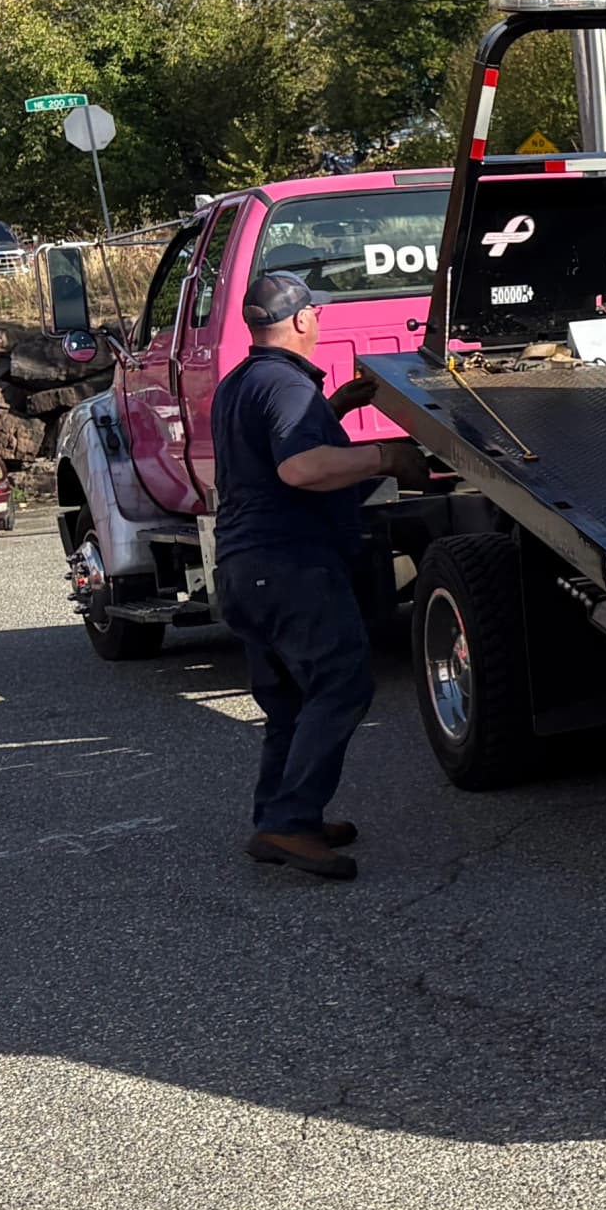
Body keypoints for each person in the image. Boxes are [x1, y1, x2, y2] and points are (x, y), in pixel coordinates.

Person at [210, 268, 410, 880]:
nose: (318, 320)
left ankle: (279, 817)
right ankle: (292, 822)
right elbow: (298, 469)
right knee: (342, 685)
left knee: (290, 703)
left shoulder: (242, 382)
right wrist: (386, 456)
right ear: (300, 319)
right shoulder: (285, 384)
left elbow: (267, 453)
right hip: (290, 565)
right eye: (315, 312)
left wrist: (334, 408)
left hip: (244, 568)